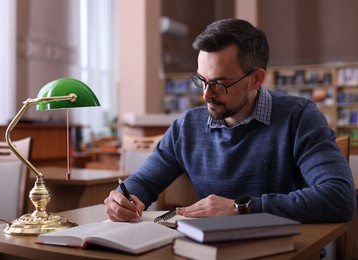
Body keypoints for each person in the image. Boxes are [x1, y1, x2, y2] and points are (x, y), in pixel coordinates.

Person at [104, 18, 356, 223]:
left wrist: (240, 208)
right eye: (201, 80)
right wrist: (125, 198)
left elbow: (339, 197)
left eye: (219, 84)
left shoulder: (299, 117)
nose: (206, 94)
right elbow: (145, 181)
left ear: (257, 79)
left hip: (287, 249)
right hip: (209, 249)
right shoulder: (187, 127)